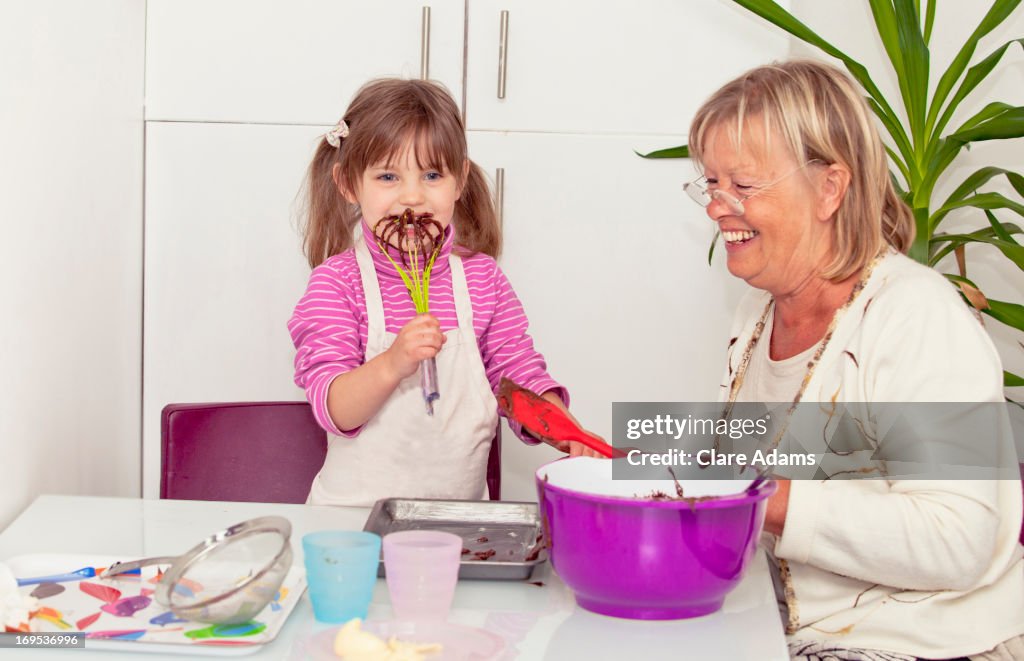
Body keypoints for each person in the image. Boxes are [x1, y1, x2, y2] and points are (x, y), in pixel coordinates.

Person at [685, 60, 1024, 660]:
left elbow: (958, 539)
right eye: (711, 184)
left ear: (830, 188)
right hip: (792, 628)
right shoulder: (754, 315)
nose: (716, 207)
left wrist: (766, 498)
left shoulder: (916, 314)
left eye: (742, 185)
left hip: (926, 642)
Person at [289, 78, 601, 507]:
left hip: (461, 523)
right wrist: (393, 363)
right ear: (348, 185)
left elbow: (518, 378)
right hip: (350, 528)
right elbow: (334, 408)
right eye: (388, 176)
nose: (412, 196)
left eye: (432, 174)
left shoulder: (482, 279)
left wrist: (565, 431)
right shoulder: (336, 285)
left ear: (459, 182)